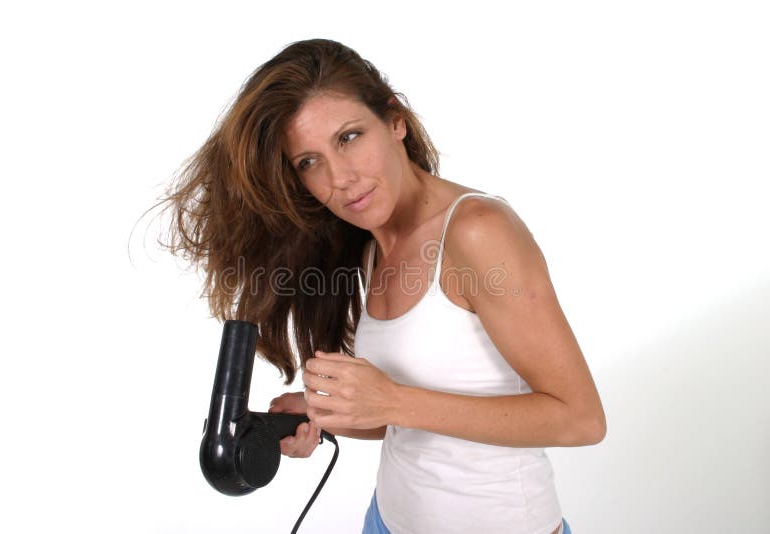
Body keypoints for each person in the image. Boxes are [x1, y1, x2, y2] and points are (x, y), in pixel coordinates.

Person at [157, 38, 605, 534]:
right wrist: (327, 414)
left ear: (395, 120)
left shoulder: (478, 230)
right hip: (387, 521)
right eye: (309, 162)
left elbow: (579, 418)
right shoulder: (371, 245)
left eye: (349, 137)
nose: (340, 178)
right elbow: (411, 420)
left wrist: (391, 400)